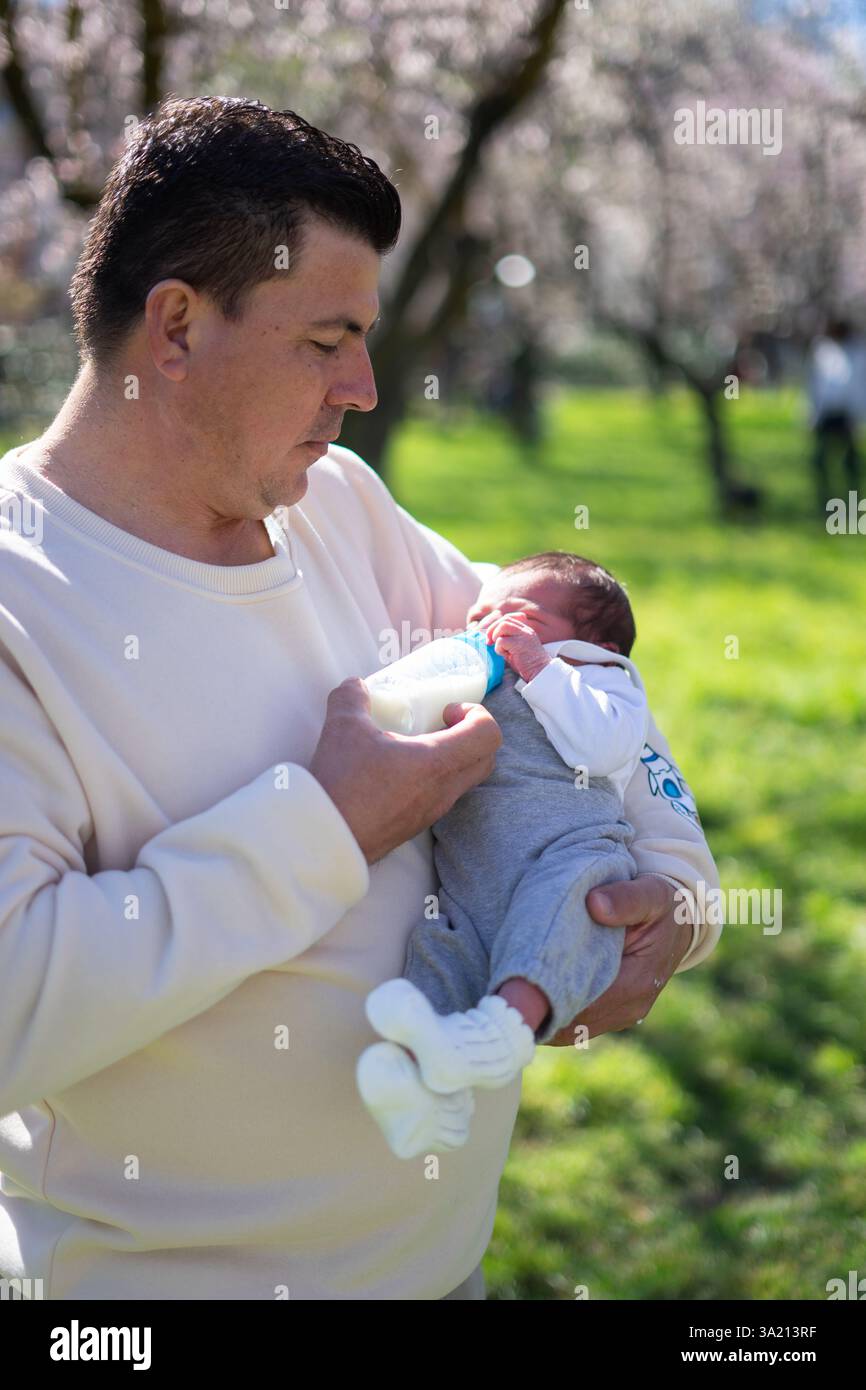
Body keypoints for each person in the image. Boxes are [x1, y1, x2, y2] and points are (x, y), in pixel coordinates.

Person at [0, 96, 721, 1302]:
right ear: (175, 327)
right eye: (325, 341)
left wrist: (670, 894)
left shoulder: (336, 506)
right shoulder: (20, 604)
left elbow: (582, 665)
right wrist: (322, 828)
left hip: (446, 1276)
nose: (365, 389)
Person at [358, 552, 653, 1159]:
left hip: (569, 851)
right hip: (471, 874)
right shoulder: (484, 673)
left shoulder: (599, 678)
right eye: (478, 615)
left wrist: (541, 666)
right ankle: (428, 1088)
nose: (489, 626)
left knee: (559, 918)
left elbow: (603, 748)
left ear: (597, 641)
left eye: (516, 614)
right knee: (443, 949)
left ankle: (505, 1028)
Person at [807, 318, 865, 514]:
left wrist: (859, 416)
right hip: (826, 413)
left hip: (846, 414)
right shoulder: (823, 351)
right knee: (821, 460)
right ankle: (824, 500)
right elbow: (814, 385)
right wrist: (812, 414)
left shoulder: (858, 351)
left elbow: (859, 387)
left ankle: (853, 500)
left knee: (850, 461)